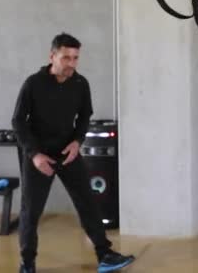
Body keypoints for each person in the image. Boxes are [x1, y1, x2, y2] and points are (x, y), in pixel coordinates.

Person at [12, 33, 135, 273]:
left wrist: (78, 142)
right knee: (31, 211)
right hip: (38, 157)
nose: (71, 63)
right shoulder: (33, 83)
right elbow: (18, 122)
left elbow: (85, 116)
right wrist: (35, 155)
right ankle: (27, 263)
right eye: (66, 57)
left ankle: (105, 255)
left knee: (88, 204)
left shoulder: (80, 84)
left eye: (75, 58)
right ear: (52, 56)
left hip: (68, 153)